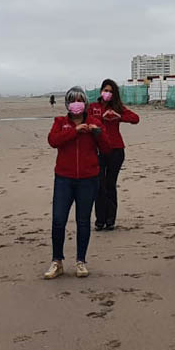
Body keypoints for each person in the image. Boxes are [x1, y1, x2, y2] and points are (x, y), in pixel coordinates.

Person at [44, 86, 110, 279]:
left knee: (83, 221)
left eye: (79, 100)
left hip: (88, 179)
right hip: (64, 178)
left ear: (86, 103)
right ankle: (57, 261)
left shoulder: (95, 122)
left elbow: (106, 148)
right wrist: (74, 131)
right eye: (72, 100)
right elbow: (53, 141)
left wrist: (97, 132)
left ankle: (81, 261)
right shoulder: (60, 122)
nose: (76, 104)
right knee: (58, 220)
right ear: (67, 103)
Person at [87, 79, 140, 231]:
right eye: (105, 90)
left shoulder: (117, 107)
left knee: (110, 185)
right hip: (97, 150)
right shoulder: (93, 107)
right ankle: (100, 219)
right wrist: (101, 119)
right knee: (99, 185)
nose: (107, 93)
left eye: (111, 91)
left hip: (116, 150)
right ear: (100, 91)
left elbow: (135, 119)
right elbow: (87, 121)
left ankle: (110, 219)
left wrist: (118, 116)